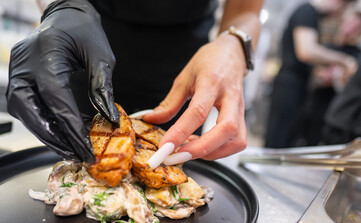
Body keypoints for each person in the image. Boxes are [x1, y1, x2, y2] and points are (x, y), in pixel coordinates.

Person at [6, 0, 263, 165]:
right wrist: (60, 6)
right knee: (78, 154)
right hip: (86, 43)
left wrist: (234, 45)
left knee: (164, 158)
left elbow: (246, 12)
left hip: (180, 70)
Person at [265, 0, 358, 148]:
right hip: (290, 85)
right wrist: (344, 60)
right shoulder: (307, 12)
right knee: (279, 138)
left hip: (299, 86)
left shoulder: (312, 15)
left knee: (287, 138)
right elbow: (306, 52)